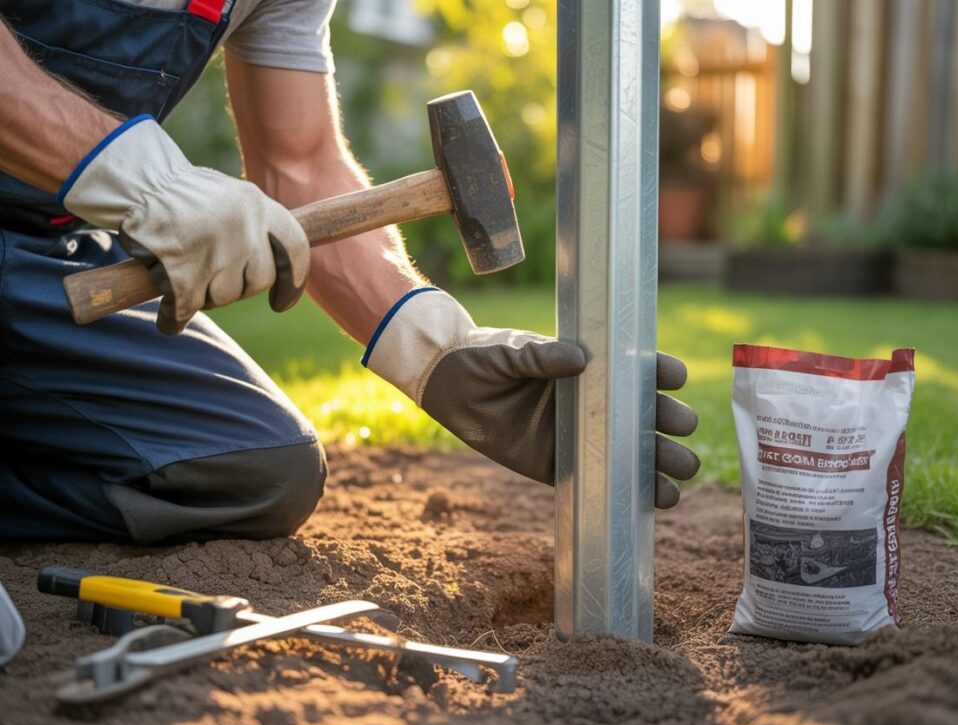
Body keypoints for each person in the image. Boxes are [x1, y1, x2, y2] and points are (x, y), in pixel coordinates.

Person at [0, 0, 700, 546]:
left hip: (46, 259)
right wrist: (145, 182)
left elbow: (298, 163)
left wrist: (432, 347)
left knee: (257, 471)